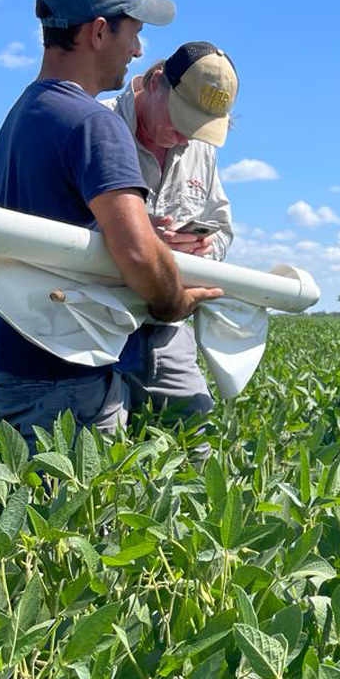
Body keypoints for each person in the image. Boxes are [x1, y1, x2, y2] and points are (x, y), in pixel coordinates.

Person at [0, 0, 222, 443]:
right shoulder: (94, 122)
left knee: (30, 512)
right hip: (69, 370)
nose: (136, 50)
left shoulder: (24, 113)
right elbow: (134, 251)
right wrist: (173, 301)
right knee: (87, 514)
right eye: (132, 33)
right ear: (97, 32)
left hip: (16, 359)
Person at [102, 42, 237, 416]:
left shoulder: (201, 150)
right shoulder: (98, 124)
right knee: (99, 452)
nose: (184, 135)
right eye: (180, 118)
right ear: (157, 81)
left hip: (168, 326)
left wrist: (204, 246)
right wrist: (138, 239)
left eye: (198, 128)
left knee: (196, 437)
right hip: (99, 317)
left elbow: (223, 230)